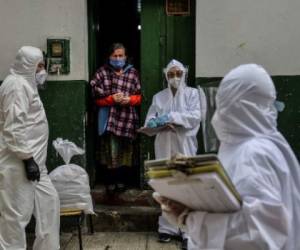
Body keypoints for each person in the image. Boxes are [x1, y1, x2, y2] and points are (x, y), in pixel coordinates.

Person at [153, 64, 300, 250]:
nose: (219, 112)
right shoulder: (263, 145)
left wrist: (192, 218)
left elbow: (258, 237)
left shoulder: (253, 154)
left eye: (222, 103)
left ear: (237, 104)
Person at [0, 46, 60, 249]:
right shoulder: (16, 86)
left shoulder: (26, 84)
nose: (42, 71)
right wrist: (27, 159)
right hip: (19, 164)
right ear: (28, 65)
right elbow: (13, 128)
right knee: (16, 217)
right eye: (39, 66)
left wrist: (33, 161)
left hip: (36, 164)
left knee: (49, 204)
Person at [144, 59, 202, 249]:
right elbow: (150, 117)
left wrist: (172, 117)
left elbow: (195, 117)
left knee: (187, 187)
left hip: (184, 145)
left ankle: (187, 232)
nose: (175, 77)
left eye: (178, 73)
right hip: (164, 144)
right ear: (166, 76)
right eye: (171, 74)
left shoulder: (193, 94)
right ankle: (167, 228)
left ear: (184, 73)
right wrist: (154, 122)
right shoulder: (159, 97)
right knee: (166, 186)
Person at [90, 43, 141, 194]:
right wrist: (111, 99)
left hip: (127, 119)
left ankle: (122, 181)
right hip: (109, 120)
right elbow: (95, 99)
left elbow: (140, 96)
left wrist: (130, 100)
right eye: (115, 56)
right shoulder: (102, 73)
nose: (118, 59)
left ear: (126, 57)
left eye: (121, 56)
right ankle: (110, 181)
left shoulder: (133, 73)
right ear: (109, 57)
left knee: (125, 151)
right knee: (111, 152)